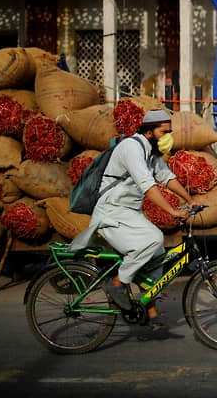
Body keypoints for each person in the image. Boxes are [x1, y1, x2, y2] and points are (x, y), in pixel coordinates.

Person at [69, 109, 195, 327]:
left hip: (128, 213)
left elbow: (166, 177)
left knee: (157, 254)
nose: (168, 137)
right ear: (149, 131)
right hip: (111, 212)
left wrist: (189, 199)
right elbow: (148, 186)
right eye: (164, 132)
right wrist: (173, 211)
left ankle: (151, 312)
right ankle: (117, 282)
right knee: (154, 238)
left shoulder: (150, 153)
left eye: (170, 132)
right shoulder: (131, 148)